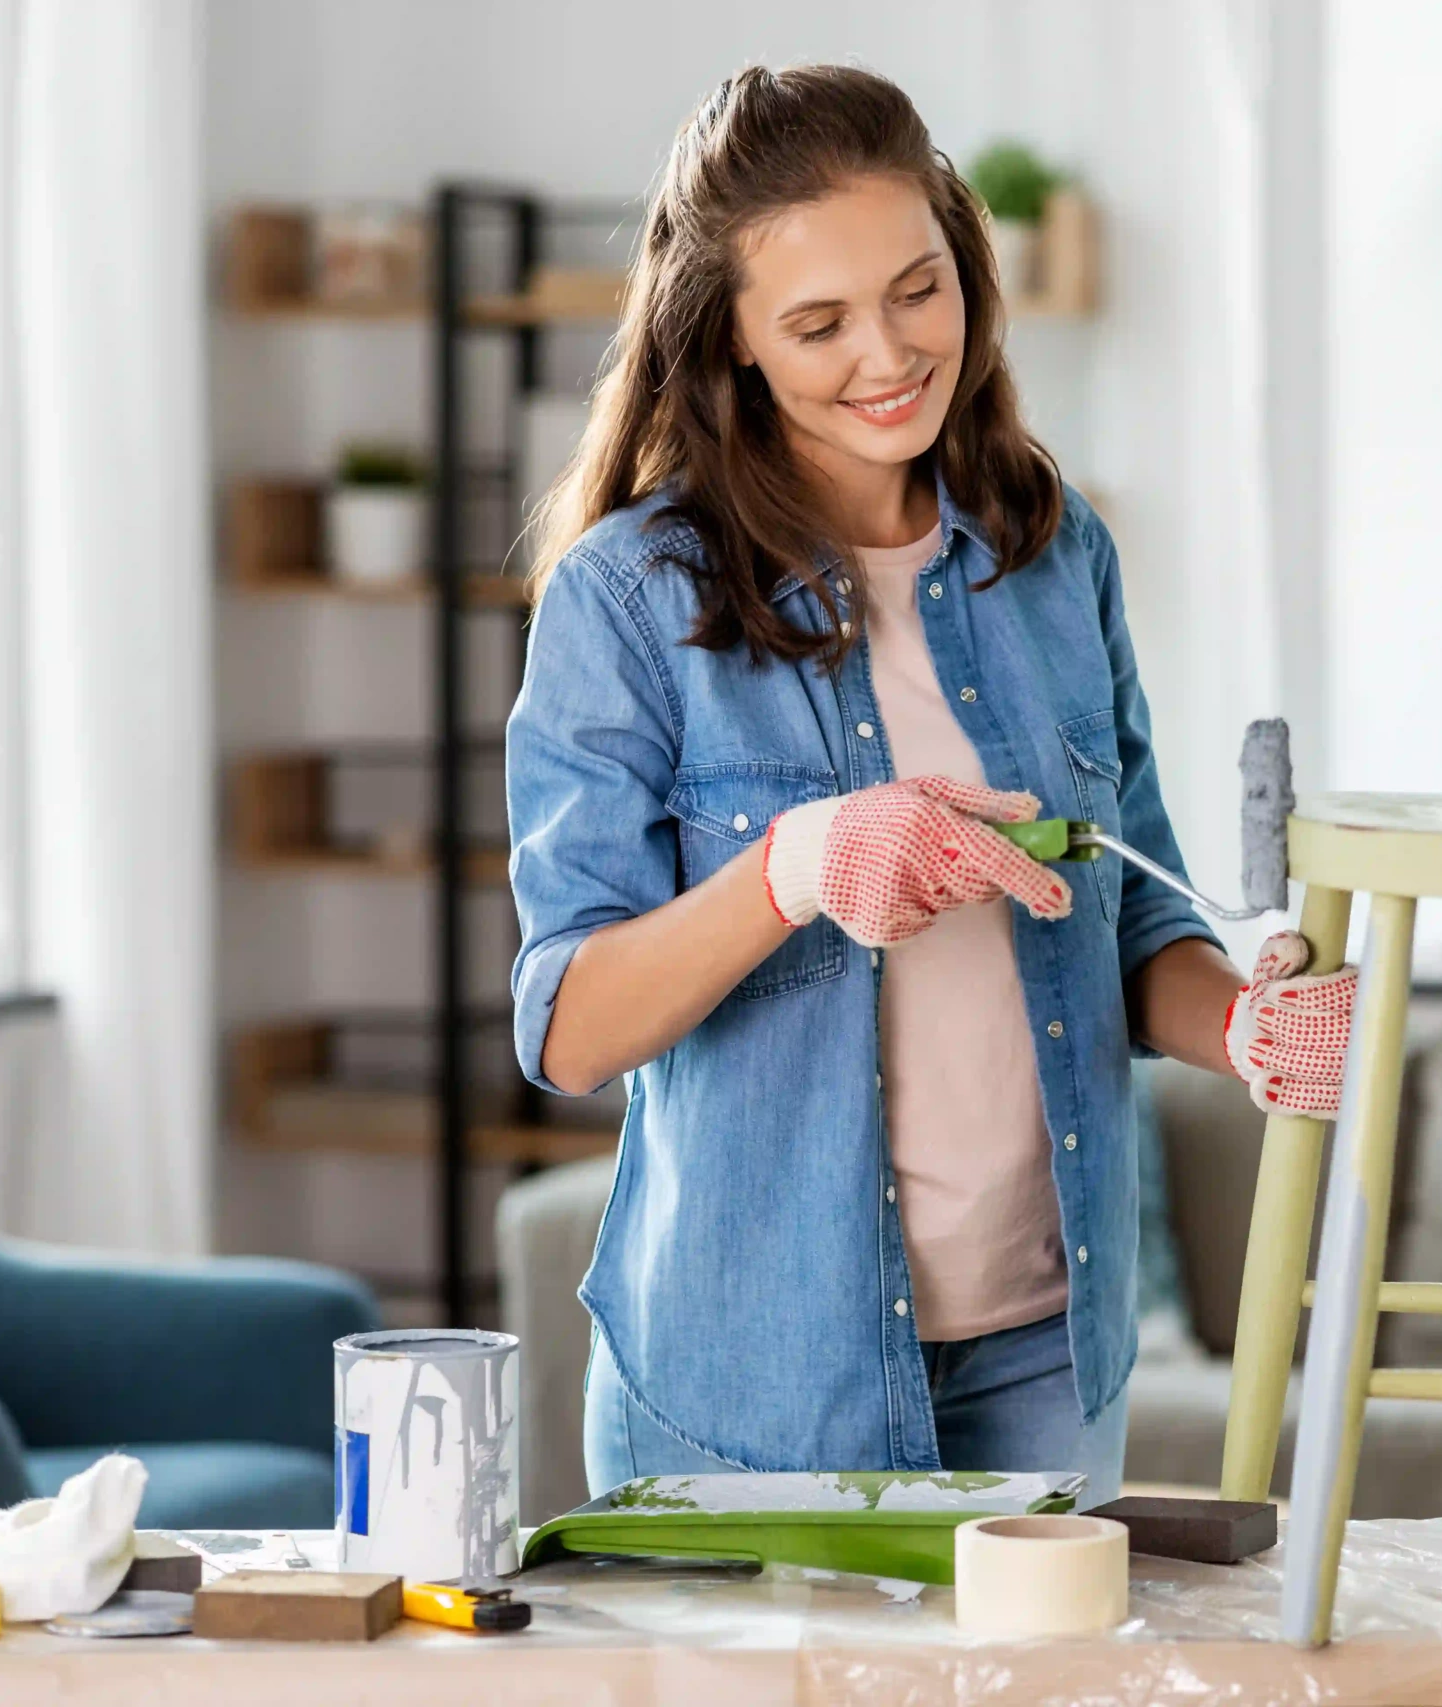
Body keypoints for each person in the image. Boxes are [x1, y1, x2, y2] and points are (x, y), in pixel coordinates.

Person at [508, 64, 1355, 1502]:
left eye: (918, 289)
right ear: (734, 346)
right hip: (753, 1381)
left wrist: (1249, 1029)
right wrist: (795, 868)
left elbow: (1132, 920)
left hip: (1044, 1353)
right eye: (819, 322)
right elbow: (572, 1030)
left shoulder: (1051, 550)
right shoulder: (626, 599)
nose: (890, 352)